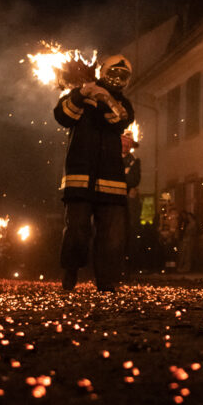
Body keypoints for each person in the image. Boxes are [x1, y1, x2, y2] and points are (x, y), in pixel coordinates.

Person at [54, 54, 135, 292]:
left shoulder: (124, 104)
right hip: (80, 177)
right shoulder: (78, 95)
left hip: (112, 180)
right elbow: (62, 116)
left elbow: (119, 120)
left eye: (123, 75)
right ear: (103, 72)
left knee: (112, 236)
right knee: (77, 231)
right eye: (114, 73)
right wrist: (82, 94)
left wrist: (105, 99)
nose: (117, 79)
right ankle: (70, 272)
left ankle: (106, 281)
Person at [121, 131, 142, 277]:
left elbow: (134, 180)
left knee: (128, 232)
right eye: (124, 142)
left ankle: (127, 267)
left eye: (128, 143)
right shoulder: (110, 158)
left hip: (127, 203)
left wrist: (123, 183)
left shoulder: (134, 161)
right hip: (112, 200)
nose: (126, 145)